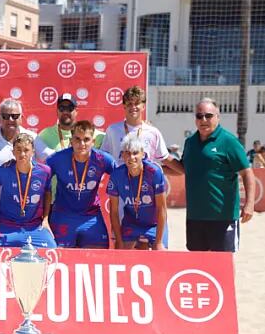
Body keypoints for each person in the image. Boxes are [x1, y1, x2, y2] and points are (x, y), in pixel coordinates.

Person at [163, 98, 255, 252]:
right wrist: (159, 164)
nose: (203, 120)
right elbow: (185, 169)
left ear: (218, 117)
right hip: (195, 216)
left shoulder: (229, 141)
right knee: (198, 263)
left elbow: (247, 173)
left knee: (223, 262)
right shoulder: (190, 142)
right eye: (199, 116)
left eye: (208, 116)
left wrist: (250, 204)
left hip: (223, 217)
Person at [45, 120, 117, 249]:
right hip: (63, 215)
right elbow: (38, 178)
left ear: (93, 142)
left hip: (91, 216)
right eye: (77, 139)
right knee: (59, 258)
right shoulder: (57, 159)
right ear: (71, 141)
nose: (81, 144)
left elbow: (122, 177)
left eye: (86, 139)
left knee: (99, 257)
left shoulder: (102, 159)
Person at [0, 134, 56, 248]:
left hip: (34, 226)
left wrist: (45, 219)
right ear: (13, 152)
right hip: (6, 225)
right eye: (18, 150)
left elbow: (47, 192)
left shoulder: (44, 172)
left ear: (33, 152)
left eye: (26, 150)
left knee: (52, 250)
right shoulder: (3, 170)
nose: (22, 154)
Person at [107, 135, 167, 250]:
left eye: (135, 153)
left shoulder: (154, 172)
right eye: (128, 153)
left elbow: (162, 208)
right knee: (120, 253)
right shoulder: (116, 175)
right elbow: (114, 211)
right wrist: (119, 241)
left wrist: (158, 242)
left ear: (143, 154)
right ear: (122, 155)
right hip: (131, 223)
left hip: (154, 224)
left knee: (160, 254)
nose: (131, 157)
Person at [0, 98, 36, 186]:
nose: (10, 120)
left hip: (26, 197)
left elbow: (50, 157)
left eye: (14, 116)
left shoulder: (33, 137)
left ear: (21, 118)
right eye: (5, 116)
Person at [34, 93, 104, 161]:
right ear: (57, 111)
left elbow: (110, 140)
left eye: (70, 108)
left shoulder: (89, 132)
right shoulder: (45, 135)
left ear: (76, 111)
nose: (65, 112)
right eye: (62, 108)